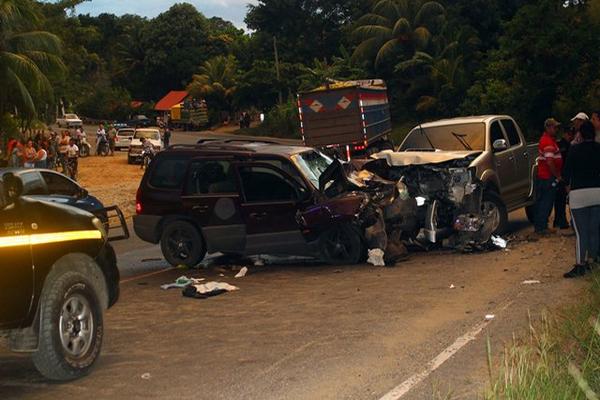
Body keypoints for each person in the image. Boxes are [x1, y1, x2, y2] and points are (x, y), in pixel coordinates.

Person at [562, 120, 600, 278]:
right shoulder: (599, 149)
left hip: (579, 194)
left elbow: (566, 175)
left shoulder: (574, 150)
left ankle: (580, 264)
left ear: (581, 134)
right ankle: (593, 260)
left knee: (580, 232)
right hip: (597, 193)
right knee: (594, 230)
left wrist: (567, 189)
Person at [534, 118, 564, 235]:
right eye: (554, 127)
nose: (556, 129)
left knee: (544, 202)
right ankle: (541, 228)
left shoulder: (549, 140)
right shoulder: (547, 141)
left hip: (546, 176)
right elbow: (550, 161)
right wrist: (557, 175)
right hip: (547, 177)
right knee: (546, 202)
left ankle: (542, 226)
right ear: (548, 127)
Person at [553, 126, 575, 229]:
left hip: (560, 175)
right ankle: (561, 221)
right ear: (566, 134)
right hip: (563, 175)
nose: (570, 137)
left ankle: (559, 220)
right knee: (561, 199)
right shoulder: (566, 145)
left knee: (559, 199)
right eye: (569, 134)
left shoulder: (559, 144)